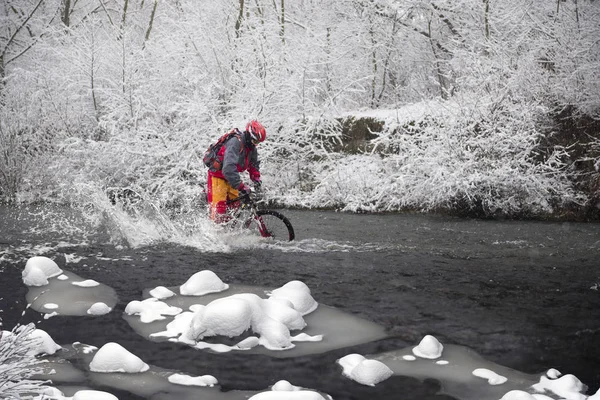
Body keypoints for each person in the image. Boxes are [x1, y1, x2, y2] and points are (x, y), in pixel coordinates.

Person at [206, 120, 266, 222]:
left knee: (234, 208)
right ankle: (214, 233)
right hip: (218, 175)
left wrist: (256, 179)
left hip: (231, 177)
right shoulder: (235, 143)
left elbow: (253, 165)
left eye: (258, 143)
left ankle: (228, 232)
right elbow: (228, 168)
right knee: (219, 210)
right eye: (255, 141)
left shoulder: (251, 147)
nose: (256, 144)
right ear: (249, 135)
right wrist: (241, 186)